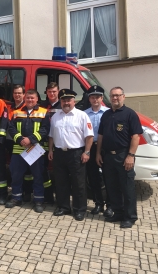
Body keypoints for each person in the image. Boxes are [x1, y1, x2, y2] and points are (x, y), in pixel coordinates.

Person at [96, 87, 143, 228]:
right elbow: (101, 136)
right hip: (108, 157)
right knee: (112, 187)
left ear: (123, 96)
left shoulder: (130, 114)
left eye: (117, 95)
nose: (115, 98)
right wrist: (98, 153)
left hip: (124, 156)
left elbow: (136, 136)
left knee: (127, 188)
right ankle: (118, 213)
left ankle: (130, 217)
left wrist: (131, 156)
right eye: (112, 96)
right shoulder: (106, 114)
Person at [48, 89, 93, 221]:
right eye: (63, 100)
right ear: (61, 101)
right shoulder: (56, 116)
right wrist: (50, 150)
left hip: (76, 154)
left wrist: (87, 152)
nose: (66, 102)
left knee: (78, 183)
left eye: (69, 100)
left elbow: (89, 136)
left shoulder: (82, 115)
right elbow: (51, 135)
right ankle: (63, 207)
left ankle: (79, 209)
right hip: (59, 153)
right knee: (61, 182)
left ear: (74, 101)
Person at [6, 89, 50, 212]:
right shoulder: (16, 112)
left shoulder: (43, 112)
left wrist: (30, 139)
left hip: (35, 149)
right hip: (18, 149)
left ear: (37, 99)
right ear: (25, 99)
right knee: (16, 175)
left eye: (32, 98)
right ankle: (16, 198)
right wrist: (20, 139)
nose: (30, 100)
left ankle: (38, 201)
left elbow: (45, 129)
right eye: (28, 98)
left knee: (38, 176)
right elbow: (11, 128)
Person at [84, 85, 112, 217]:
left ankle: (110, 205)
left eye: (98, 97)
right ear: (89, 99)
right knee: (93, 177)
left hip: (105, 147)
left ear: (102, 98)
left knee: (108, 177)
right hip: (91, 146)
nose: (95, 99)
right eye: (92, 97)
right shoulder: (84, 114)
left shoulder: (109, 113)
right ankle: (98, 203)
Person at [39, 82, 61, 204]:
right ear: (46, 93)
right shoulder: (42, 105)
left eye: (54, 91)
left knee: (59, 171)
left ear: (58, 91)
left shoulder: (63, 105)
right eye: (49, 92)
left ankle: (60, 197)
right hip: (44, 143)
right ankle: (48, 197)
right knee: (43, 170)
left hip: (58, 143)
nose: (52, 94)